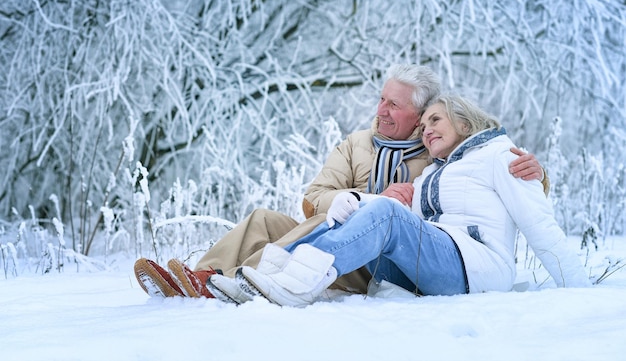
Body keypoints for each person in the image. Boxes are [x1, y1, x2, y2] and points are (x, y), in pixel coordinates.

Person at [134, 65, 547, 299]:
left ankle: (239, 281)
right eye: (381, 98)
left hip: (383, 261)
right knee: (266, 220)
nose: (381, 109)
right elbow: (313, 199)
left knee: (330, 221)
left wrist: (539, 174)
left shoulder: (438, 151)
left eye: (394, 104)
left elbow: (489, 178)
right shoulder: (357, 144)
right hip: (337, 242)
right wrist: (367, 199)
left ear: (419, 115)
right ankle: (197, 278)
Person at [207, 93, 590, 307]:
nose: (427, 131)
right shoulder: (427, 176)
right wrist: (353, 199)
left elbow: (540, 225)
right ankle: (270, 279)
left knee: (385, 211)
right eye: (423, 127)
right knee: (372, 209)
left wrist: (580, 294)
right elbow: (389, 223)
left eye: (436, 120)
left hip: (475, 266)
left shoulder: (500, 155)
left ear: (465, 123)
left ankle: (292, 284)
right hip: (422, 271)